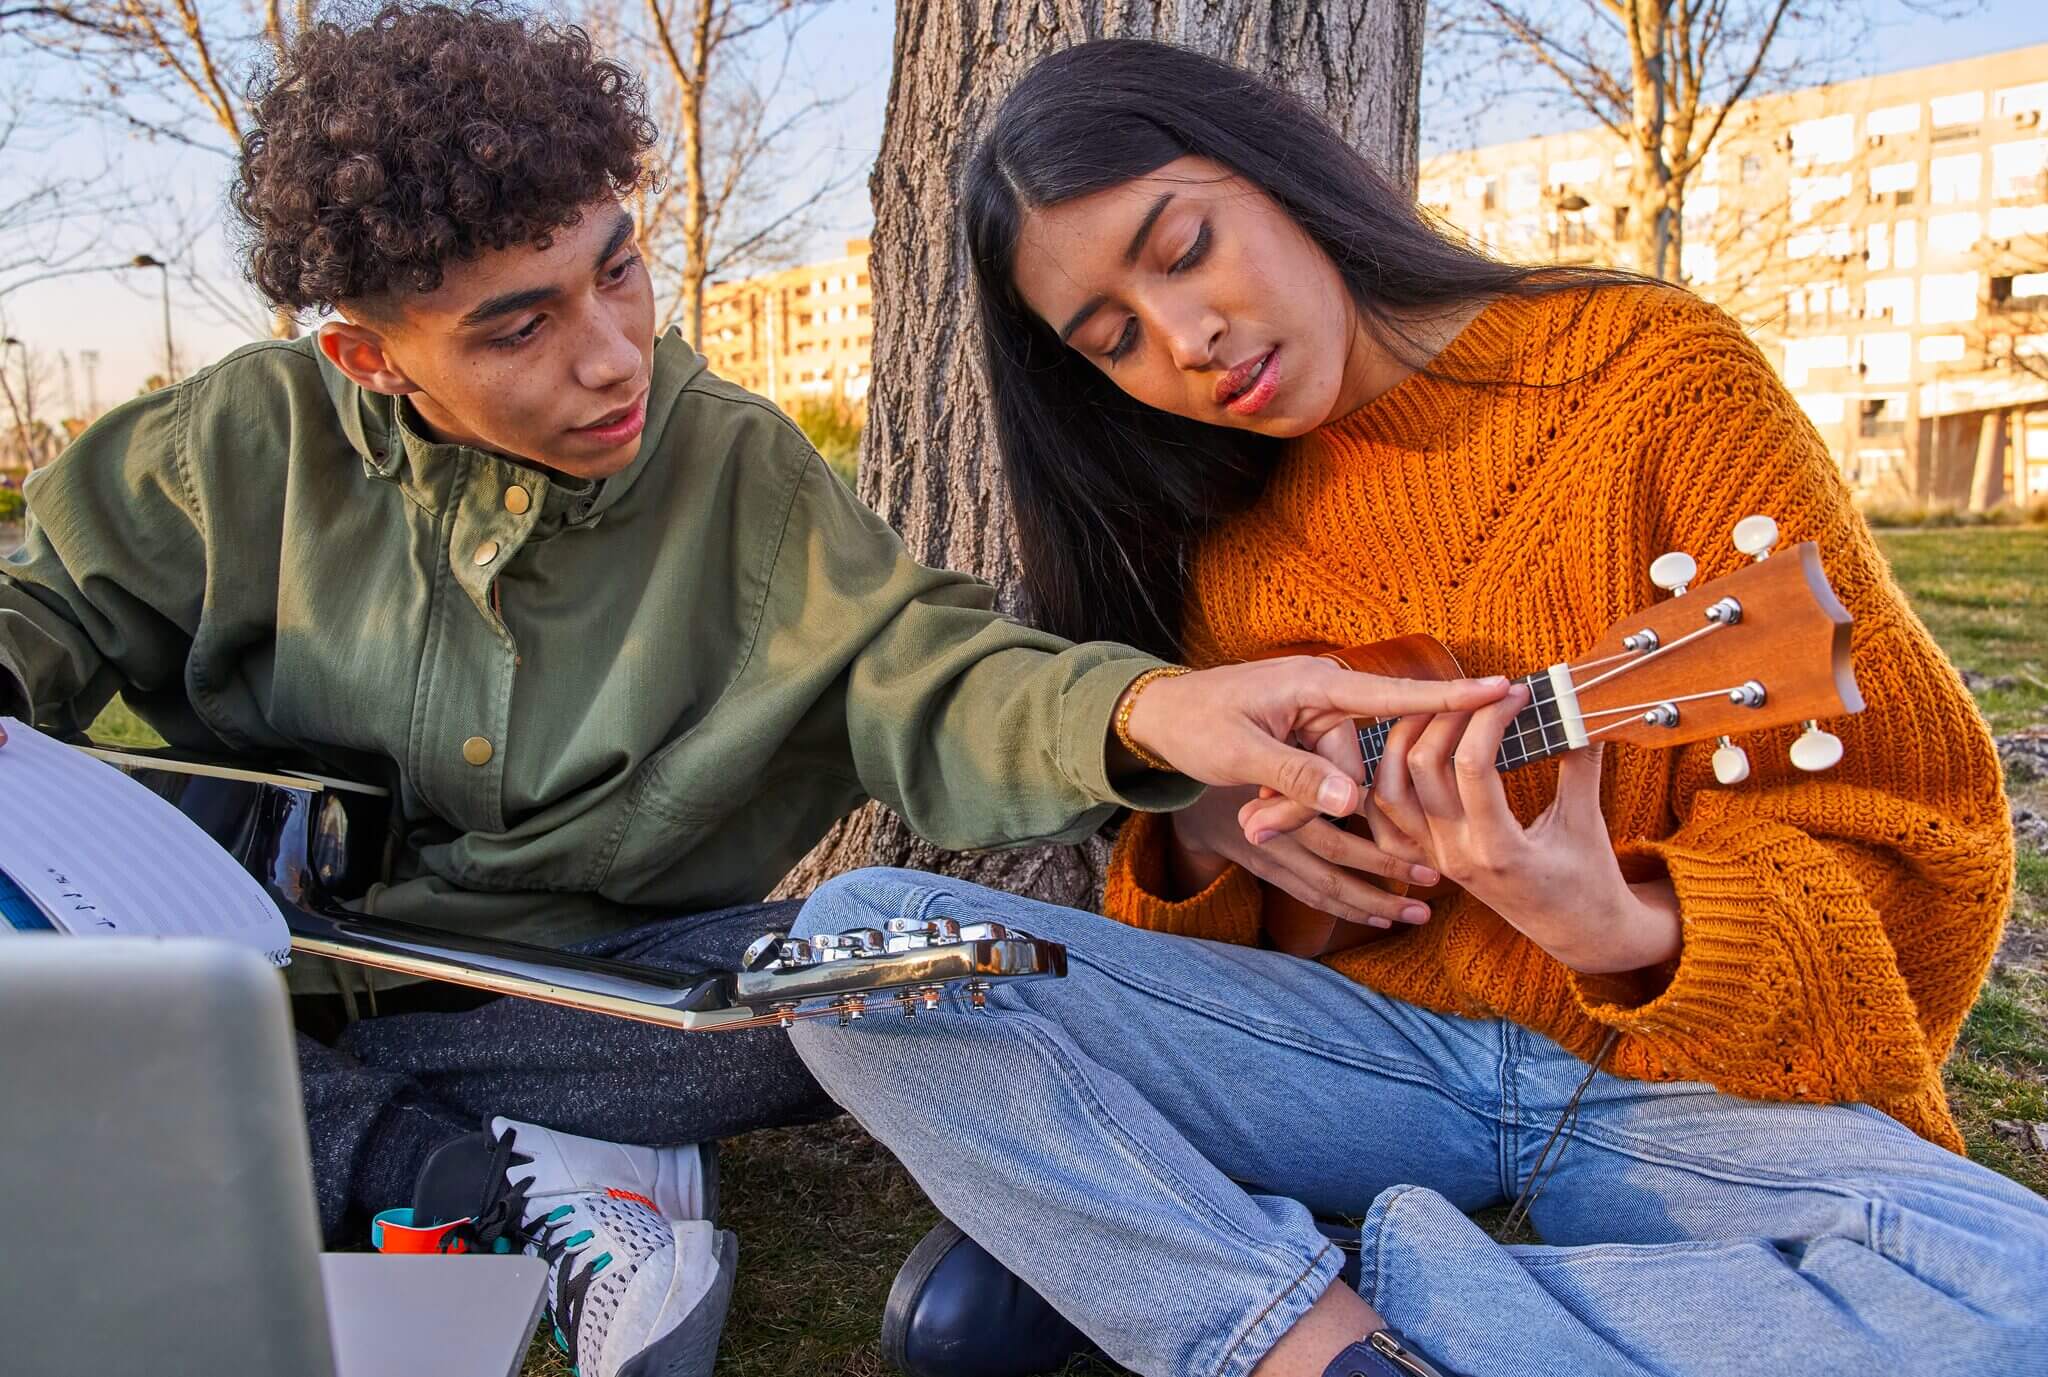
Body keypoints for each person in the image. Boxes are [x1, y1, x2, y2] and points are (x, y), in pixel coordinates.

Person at [0, 11, 1503, 1376]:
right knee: (90, 1032)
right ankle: (475, 1173)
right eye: (518, 328)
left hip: (609, 993)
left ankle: (415, 1152)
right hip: (268, 986)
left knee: (880, 975)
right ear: (367, 356)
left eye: (619, 266)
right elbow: (42, 610)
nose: (611, 356)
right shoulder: (235, 443)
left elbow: (923, 670)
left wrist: (1146, 715)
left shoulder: (738, 469)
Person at [786, 38, 2047, 1377]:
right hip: (1376, 1069)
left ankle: (1290, 1294)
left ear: (1270, 163)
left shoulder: (1655, 381)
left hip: (1666, 1102)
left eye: (1184, 248)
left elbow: (1925, 858)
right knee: (857, 954)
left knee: (2018, 1291)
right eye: (1115, 342)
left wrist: (1616, 921)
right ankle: (1323, 1316)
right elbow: (1240, 994)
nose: (1189, 341)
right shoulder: (1221, 546)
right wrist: (1215, 838)